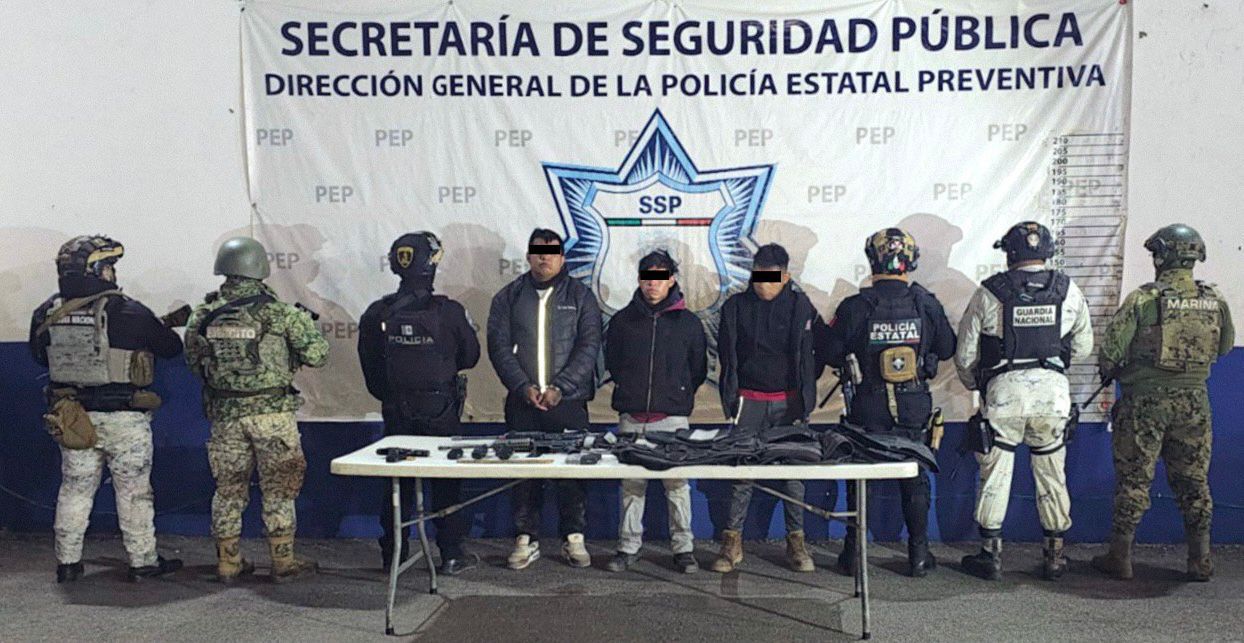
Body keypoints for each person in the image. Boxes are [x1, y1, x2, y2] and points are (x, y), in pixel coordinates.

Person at [29, 235, 184, 583]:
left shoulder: (47, 312)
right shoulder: (129, 310)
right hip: (125, 420)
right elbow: (171, 347)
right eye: (109, 266)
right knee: (134, 493)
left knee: (74, 490)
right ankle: (143, 562)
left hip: (74, 418)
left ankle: (68, 563)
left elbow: (39, 355)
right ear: (97, 270)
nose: (113, 272)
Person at [1091, 224, 1234, 582]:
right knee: (1194, 481)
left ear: (1161, 257)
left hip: (1144, 405)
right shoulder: (1214, 299)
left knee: (1134, 479)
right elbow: (1224, 347)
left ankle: (1120, 557)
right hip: (1194, 404)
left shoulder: (1143, 299)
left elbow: (1110, 352)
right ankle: (1200, 560)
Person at [185, 236, 329, 583]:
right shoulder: (282, 314)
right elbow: (318, 355)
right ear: (260, 269)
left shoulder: (202, 315)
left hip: (225, 416)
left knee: (228, 490)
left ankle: (228, 562)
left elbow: (193, 362)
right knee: (279, 488)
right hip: (273, 417)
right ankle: (283, 561)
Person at [954, 222, 1093, 580]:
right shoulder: (1068, 290)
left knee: (996, 474)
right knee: (1052, 474)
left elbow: (965, 354)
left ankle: (990, 555)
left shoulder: (989, 292)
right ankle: (1055, 556)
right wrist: (1053, 368)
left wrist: (978, 385)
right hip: (1052, 397)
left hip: (1005, 395)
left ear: (1010, 253)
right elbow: (1083, 346)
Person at [821, 228, 956, 577]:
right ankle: (919, 555)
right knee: (914, 476)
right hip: (914, 404)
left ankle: (853, 554)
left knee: (859, 477)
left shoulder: (854, 306)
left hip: (868, 404)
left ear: (872, 260)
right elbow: (947, 347)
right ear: (910, 261)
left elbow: (830, 352)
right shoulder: (926, 303)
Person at [358, 232, 481, 575]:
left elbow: (371, 370)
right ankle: (451, 554)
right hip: (441, 410)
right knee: (445, 481)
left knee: (397, 484)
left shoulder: (376, 313)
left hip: (396, 410)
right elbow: (470, 357)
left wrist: (394, 396)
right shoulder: (450, 312)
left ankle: (393, 555)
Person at [486, 228, 602, 570]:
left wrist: (560, 387)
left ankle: (574, 537)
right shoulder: (508, 297)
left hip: (568, 403)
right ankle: (526, 538)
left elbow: (589, 347)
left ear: (562, 258)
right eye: (538, 252)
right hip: (523, 403)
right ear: (528, 256)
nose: (544, 258)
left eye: (551, 252)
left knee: (572, 474)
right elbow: (498, 347)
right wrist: (523, 387)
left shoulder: (581, 296)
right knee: (525, 474)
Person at [712, 243, 823, 573]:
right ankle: (732, 544)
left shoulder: (802, 306)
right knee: (742, 474)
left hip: (789, 404)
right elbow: (726, 355)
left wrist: (805, 392)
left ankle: (796, 543)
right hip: (748, 402)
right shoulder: (734, 307)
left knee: (793, 476)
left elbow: (815, 354)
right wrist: (732, 397)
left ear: (785, 276)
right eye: (758, 276)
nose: (763, 283)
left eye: (771, 277)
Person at [603, 250, 707, 574]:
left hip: (672, 418)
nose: (653, 284)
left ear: (671, 280)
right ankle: (628, 547)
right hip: (632, 417)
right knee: (632, 487)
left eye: (660, 278)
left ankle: (684, 549)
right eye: (647, 278)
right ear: (639, 280)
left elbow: (698, 369)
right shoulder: (622, 321)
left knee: (677, 487)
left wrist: (677, 393)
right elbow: (613, 362)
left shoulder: (689, 323)